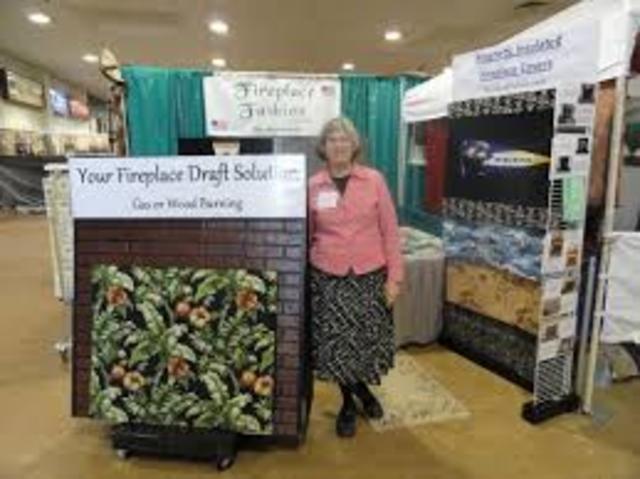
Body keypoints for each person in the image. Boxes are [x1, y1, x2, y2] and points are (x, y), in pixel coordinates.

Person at [308, 117, 404, 438]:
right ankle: (350, 402)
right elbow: (306, 234)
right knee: (338, 346)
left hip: (369, 276)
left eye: (344, 139)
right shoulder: (313, 186)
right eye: (332, 139)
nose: (339, 145)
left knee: (364, 343)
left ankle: (362, 390)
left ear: (354, 145)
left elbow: (390, 231)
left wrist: (395, 279)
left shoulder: (374, 180)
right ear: (323, 147)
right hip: (328, 278)